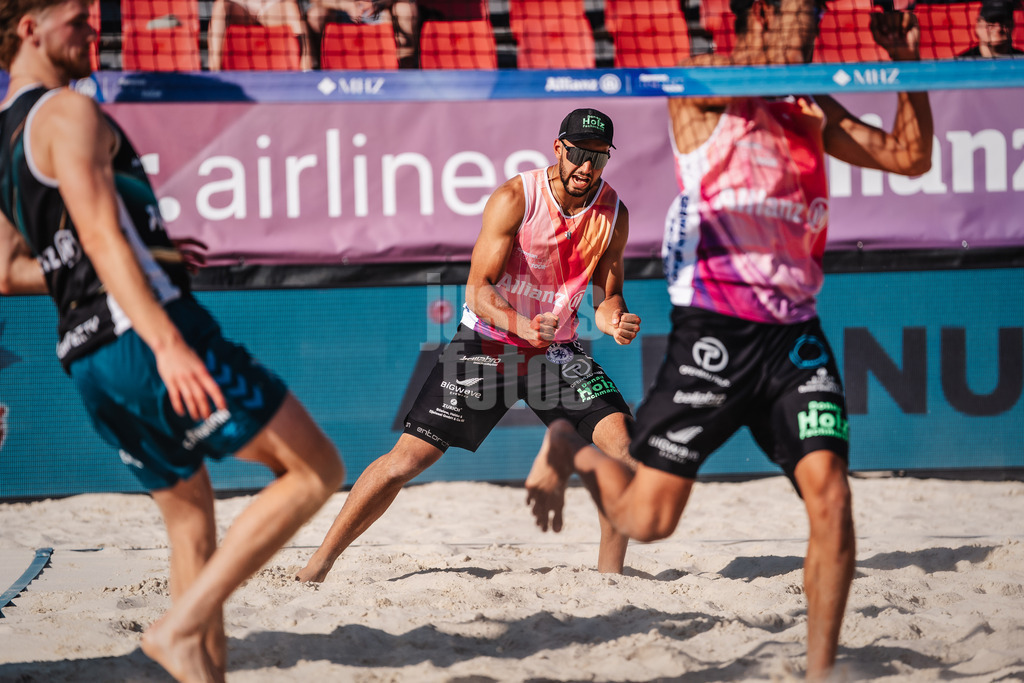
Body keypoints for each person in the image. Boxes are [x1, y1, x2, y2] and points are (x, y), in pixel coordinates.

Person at [524, 0, 933, 680]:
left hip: (794, 335)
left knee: (831, 493)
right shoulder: (703, 91)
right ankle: (571, 447)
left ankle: (819, 673)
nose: (819, 21)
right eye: (807, 10)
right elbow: (735, 72)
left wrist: (905, 63)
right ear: (765, 14)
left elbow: (911, 157)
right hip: (712, 332)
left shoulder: (809, 104)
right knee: (650, 520)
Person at [0, 2, 344, 681]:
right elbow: (97, 235)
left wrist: (146, 251)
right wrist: (166, 341)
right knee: (315, 470)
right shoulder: (67, 112)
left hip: (87, 356)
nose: (91, 30)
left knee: (190, 520)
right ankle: (178, 628)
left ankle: (196, 667)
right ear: (27, 27)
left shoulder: (5, 141)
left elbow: (9, 269)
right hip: (143, 335)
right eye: (76, 18)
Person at [295, 107, 642, 583]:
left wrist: (615, 319)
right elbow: (477, 291)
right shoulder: (516, 197)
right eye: (580, 153)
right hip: (489, 344)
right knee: (406, 461)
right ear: (558, 148)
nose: (587, 167)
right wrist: (522, 326)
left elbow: (607, 293)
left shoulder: (614, 211)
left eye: (599, 158)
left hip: (557, 353)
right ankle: (317, 565)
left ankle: (611, 582)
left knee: (627, 452)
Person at [306, 0, 419, 68]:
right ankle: (317, 67)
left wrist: (377, 4)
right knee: (316, 15)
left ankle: (406, 70)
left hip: (379, 12)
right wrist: (346, 6)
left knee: (404, 9)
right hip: (341, 12)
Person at [207, 0, 312, 71]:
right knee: (220, 6)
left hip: (271, 5)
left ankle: (306, 71)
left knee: (291, 6)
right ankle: (215, 73)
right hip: (238, 4)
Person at [958, 0, 1023, 57]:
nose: (998, 28)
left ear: (1012, 25)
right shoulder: (960, 63)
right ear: (978, 25)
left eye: (1003, 22)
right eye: (991, 21)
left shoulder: (1020, 60)